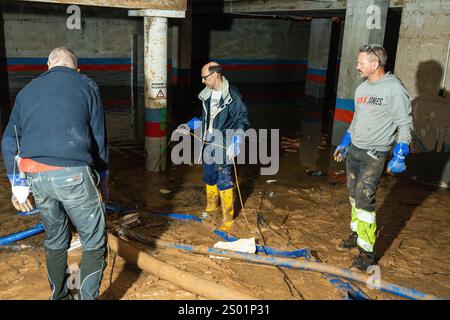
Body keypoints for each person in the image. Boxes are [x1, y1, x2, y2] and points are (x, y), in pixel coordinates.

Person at [1, 47, 109, 299]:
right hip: (74, 173)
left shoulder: (26, 91)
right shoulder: (87, 85)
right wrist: (103, 182)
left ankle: (58, 296)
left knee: (55, 239)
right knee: (93, 242)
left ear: (47, 66)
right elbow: (99, 139)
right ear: (77, 69)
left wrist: (18, 186)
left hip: (36, 176)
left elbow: (9, 141)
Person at [333, 44, 413, 271]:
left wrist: (400, 152)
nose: (357, 66)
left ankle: (367, 253)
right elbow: (356, 119)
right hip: (355, 150)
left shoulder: (394, 89)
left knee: (364, 198)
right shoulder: (362, 89)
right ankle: (357, 234)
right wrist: (345, 142)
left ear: (375, 64)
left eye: (361, 63)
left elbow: (405, 123)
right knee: (352, 196)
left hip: (374, 154)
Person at [174, 62, 250, 231]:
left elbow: (242, 120)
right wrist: (189, 125)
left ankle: (228, 219)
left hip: (224, 143)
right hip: (208, 142)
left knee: (224, 178)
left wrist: (237, 139)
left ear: (215, 76)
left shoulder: (233, 95)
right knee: (209, 175)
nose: (202, 81)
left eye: (204, 77)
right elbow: (205, 119)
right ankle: (211, 206)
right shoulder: (207, 95)